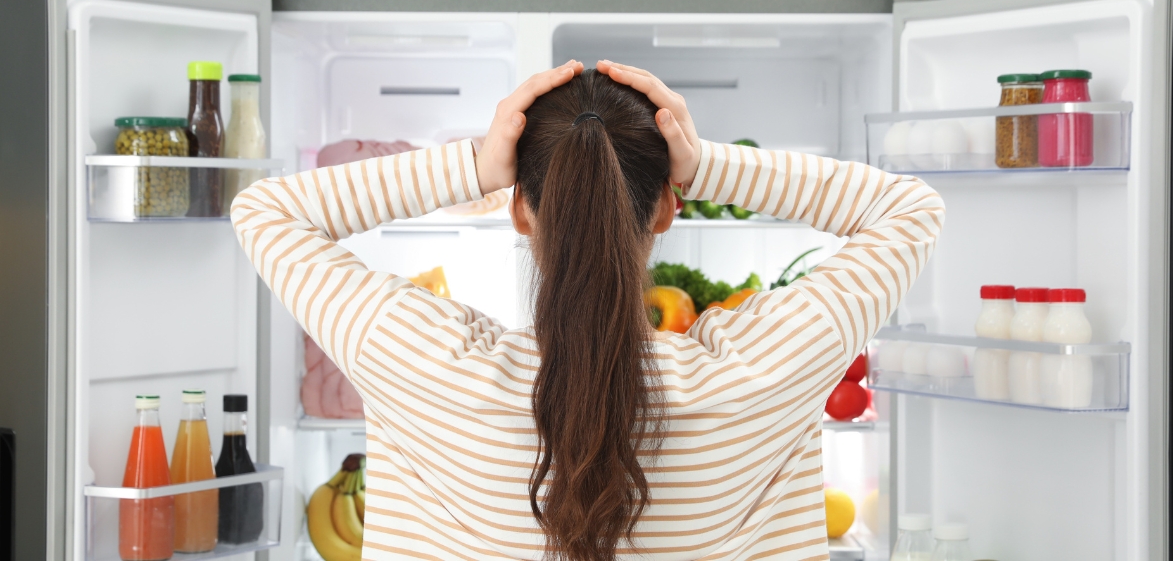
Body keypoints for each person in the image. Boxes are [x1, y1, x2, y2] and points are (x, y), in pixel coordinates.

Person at [232, 60, 944, 560]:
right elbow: (908, 210)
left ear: (518, 210)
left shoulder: (428, 366)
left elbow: (264, 212)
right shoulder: (759, 372)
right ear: (669, 208)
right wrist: (704, 163)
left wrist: (474, 165)